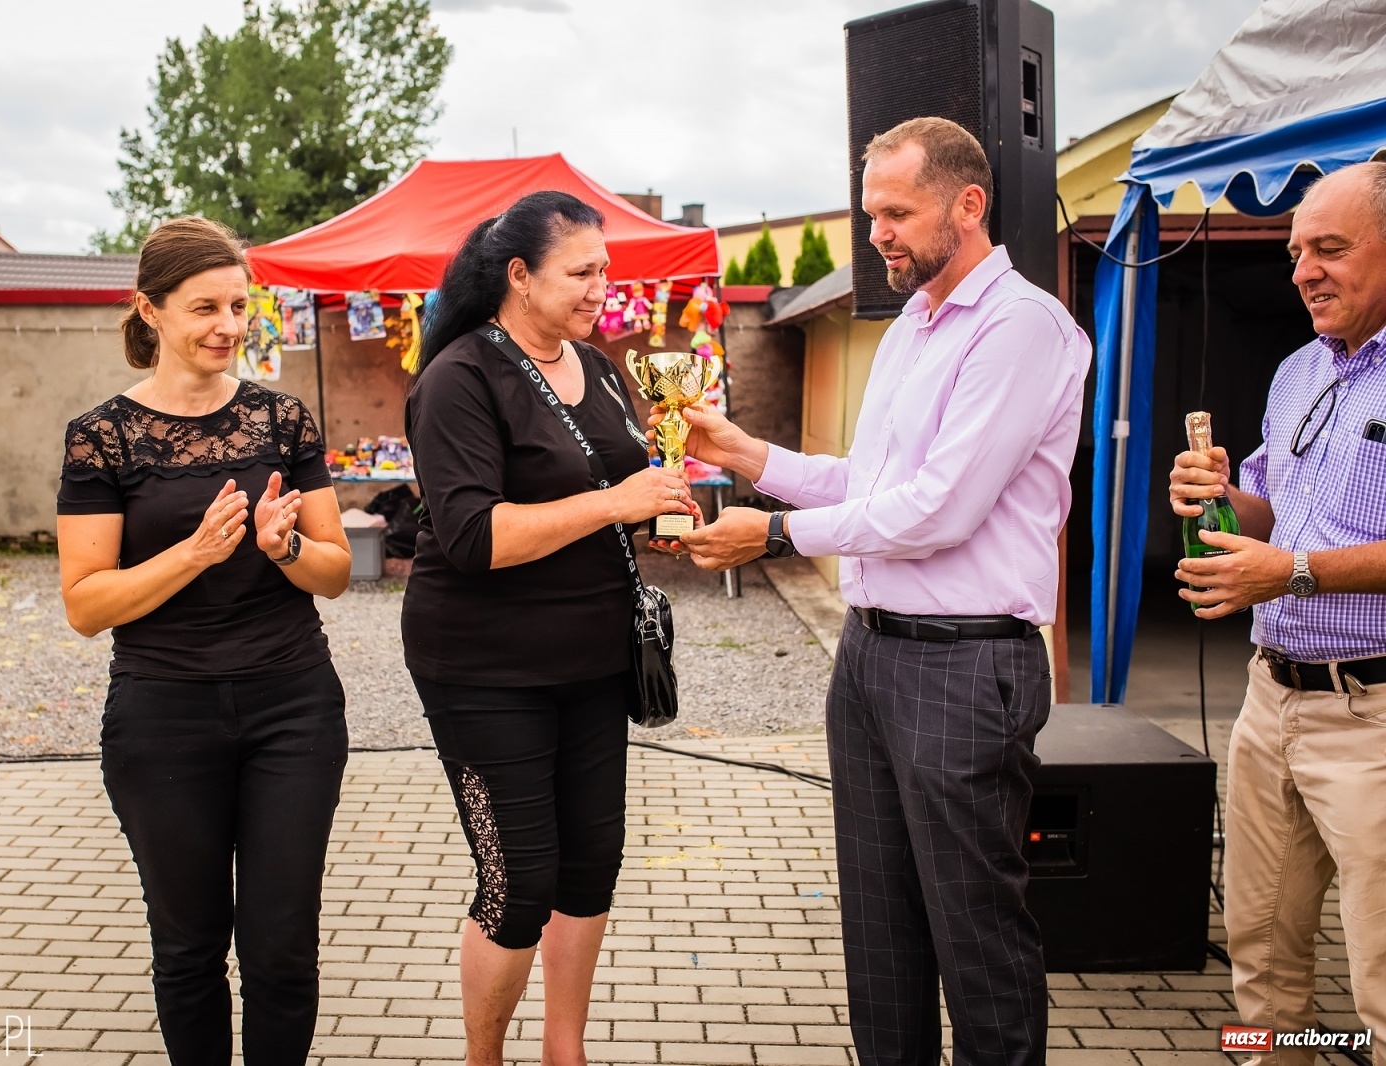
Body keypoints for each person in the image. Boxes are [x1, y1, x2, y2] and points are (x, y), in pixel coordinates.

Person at [672, 117, 1091, 1066]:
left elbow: (938, 510)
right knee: (880, 931)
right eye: (871, 214)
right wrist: (749, 456)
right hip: (871, 654)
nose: (877, 235)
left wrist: (772, 535)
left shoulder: (1021, 326)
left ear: (968, 204)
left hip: (963, 661)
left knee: (974, 935)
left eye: (897, 212)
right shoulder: (914, 321)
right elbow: (873, 484)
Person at [402, 190, 694, 1066]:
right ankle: (482, 1059)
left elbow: (631, 490)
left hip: (595, 660)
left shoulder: (600, 368)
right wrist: (615, 499)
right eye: (583, 271)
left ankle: (563, 1053)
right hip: (484, 666)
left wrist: (675, 513)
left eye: (606, 269)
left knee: (589, 867)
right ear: (519, 276)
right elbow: (472, 535)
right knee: (519, 882)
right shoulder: (458, 377)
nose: (603, 286)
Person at [57, 216, 353, 1066]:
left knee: (282, 949)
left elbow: (335, 572)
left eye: (239, 305)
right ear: (148, 310)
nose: (229, 325)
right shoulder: (101, 436)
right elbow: (85, 604)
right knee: (187, 951)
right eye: (205, 308)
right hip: (163, 718)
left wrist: (283, 548)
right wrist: (194, 554)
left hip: (292, 708)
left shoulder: (282, 421)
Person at [1169, 161, 1386, 1062]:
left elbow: (1292, 552)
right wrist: (1217, 492)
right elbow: (1268, 501)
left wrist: (1289, 571)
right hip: (1271, 703)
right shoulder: (1299, 370)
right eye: (1298, 252)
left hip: (1373, 716)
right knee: (1260, 961)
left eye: (1330, 249)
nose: (1303, 272)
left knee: (1380, 978)